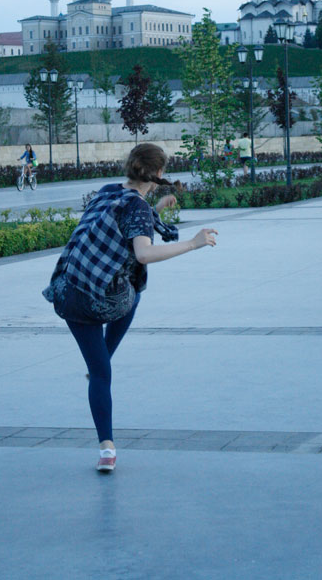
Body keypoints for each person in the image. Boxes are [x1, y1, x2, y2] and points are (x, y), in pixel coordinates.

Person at [43, 143, 217, 473]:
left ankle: (105, 445)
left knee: (98, 371)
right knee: (134, 291)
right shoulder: (136, 208)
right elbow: (143, 254)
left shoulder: (108, 191)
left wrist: (157, 208)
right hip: (101, 301)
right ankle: (104, 369)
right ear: (159, 173)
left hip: (67, 290)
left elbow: (125, 216)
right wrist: (193, 244)